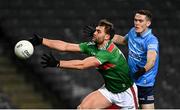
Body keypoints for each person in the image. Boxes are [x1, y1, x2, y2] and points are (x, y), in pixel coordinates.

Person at [29, 19, 138, 109]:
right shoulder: (92, 46)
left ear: (107, 37)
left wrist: (58, 63)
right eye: (95, 30)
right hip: (109, 90)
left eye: (98, 32)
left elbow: (82, 65)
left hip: (126, 94)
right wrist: (41, 40)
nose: (94, 33)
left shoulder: (109, 53)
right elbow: (66, 46)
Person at [112, 10, 159, 109]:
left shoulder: (151, 40)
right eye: (135, 20)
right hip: (130, 81)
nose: (137, 23)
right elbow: (122, 40)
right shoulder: (133, 32)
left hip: (144, 84)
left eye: (140, 21)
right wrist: (103, 35)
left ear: (148, 23)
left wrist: (143, 70)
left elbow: (152, 60)